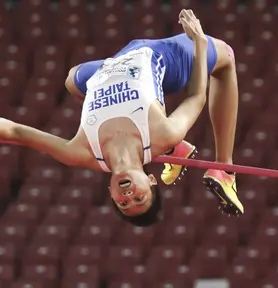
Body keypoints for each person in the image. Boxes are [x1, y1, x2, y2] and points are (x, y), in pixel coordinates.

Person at [0, 9, 243, 226]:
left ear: (111, 193)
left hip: (112, 66)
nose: (129, 196)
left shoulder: (81, 152)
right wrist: (199, 41)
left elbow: (17, 132)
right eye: (140, 197)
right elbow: (196, 97)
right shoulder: (164, 133)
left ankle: (174, 151)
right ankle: (225, 170)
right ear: (151, 180)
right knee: (227, 59)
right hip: (163, 58)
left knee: (72, 80)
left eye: (124, 203)